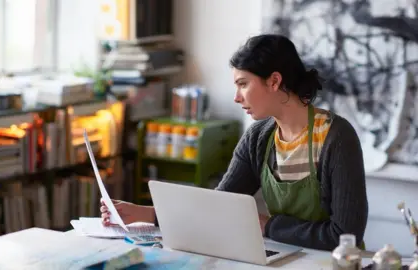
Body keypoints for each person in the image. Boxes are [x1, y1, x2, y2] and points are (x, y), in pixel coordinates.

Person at [101, 34, 368, 251]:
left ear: (274, 81)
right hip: (287, 258)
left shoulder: (336, 137)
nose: (236, 97)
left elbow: (345, 236)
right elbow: (217, 208)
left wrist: (268, 226)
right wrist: (147, 214)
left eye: (243, 84)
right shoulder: (258, 138)